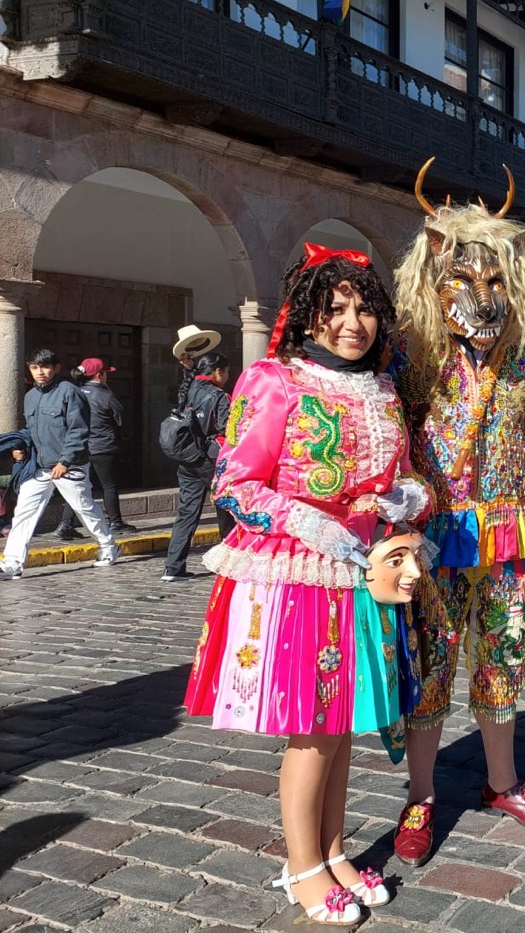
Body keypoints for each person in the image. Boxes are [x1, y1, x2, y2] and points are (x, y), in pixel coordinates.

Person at [183, 244, 430, 925]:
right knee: (313, 726)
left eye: (363, 310)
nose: (353, 323)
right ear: (308, 316)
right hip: (298, 573)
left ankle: (333, 852)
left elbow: (404, 471)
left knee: (344, 723)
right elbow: (235, 483)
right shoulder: (272, 380)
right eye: (337, 309)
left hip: (360, 573)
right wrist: (312, 523)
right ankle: (300, 867)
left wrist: (405, 500)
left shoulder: (380, 388)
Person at [389, 162, 525, 867]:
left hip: (509, 535)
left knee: (502, 663)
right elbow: (395, 434)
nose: (482, 295)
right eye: (466, 281)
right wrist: (406, 506)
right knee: (433, 667)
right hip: (438, 539)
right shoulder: (417, 357)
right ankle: (420, 795)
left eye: (495, 282)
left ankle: (503, 782)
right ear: (438, 283)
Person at [0, 349, 119, 579]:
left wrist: (65, 460)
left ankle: (108, 545)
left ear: (56, 368)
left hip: (70, 466)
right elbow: (32, 430)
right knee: (24, 512)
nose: (40, 372)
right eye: (35, 367)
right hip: (39, 468)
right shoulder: (30, 396)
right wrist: (20, 449)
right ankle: (12, 563)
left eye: (44, 367)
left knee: (84, 507)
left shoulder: (70, 392)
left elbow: (79, 429)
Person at [161, 351, 235, 581]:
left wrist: (188, 366)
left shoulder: (189, 388)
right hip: (210, 459)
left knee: (186, 513)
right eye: (227, 372)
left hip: (188, 458)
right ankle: (229, 564)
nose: (227, 376)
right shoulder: (219, 396)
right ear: (218, 371)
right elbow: (227, 429)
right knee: (227, 511)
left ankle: (173, 567)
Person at [55, 358, 134, 538]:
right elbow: (121, 418)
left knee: (76, 487)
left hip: (77, 448)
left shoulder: (74, 393)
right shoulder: (105, 395)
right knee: (109, 485)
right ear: (99, 375)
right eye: (106, 373)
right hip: (102, 447)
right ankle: (115, 522)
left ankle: (65, 524)